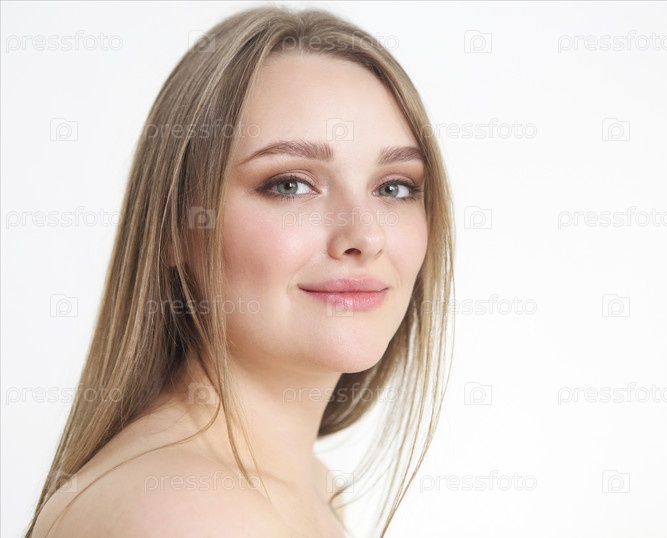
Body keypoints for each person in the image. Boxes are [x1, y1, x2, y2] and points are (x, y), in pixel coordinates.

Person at [26, 5, 454, 538]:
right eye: (290, 184)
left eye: (394, 187)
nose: (365, 236)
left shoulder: (310, 487)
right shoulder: (188, 514)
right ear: (176, 225)